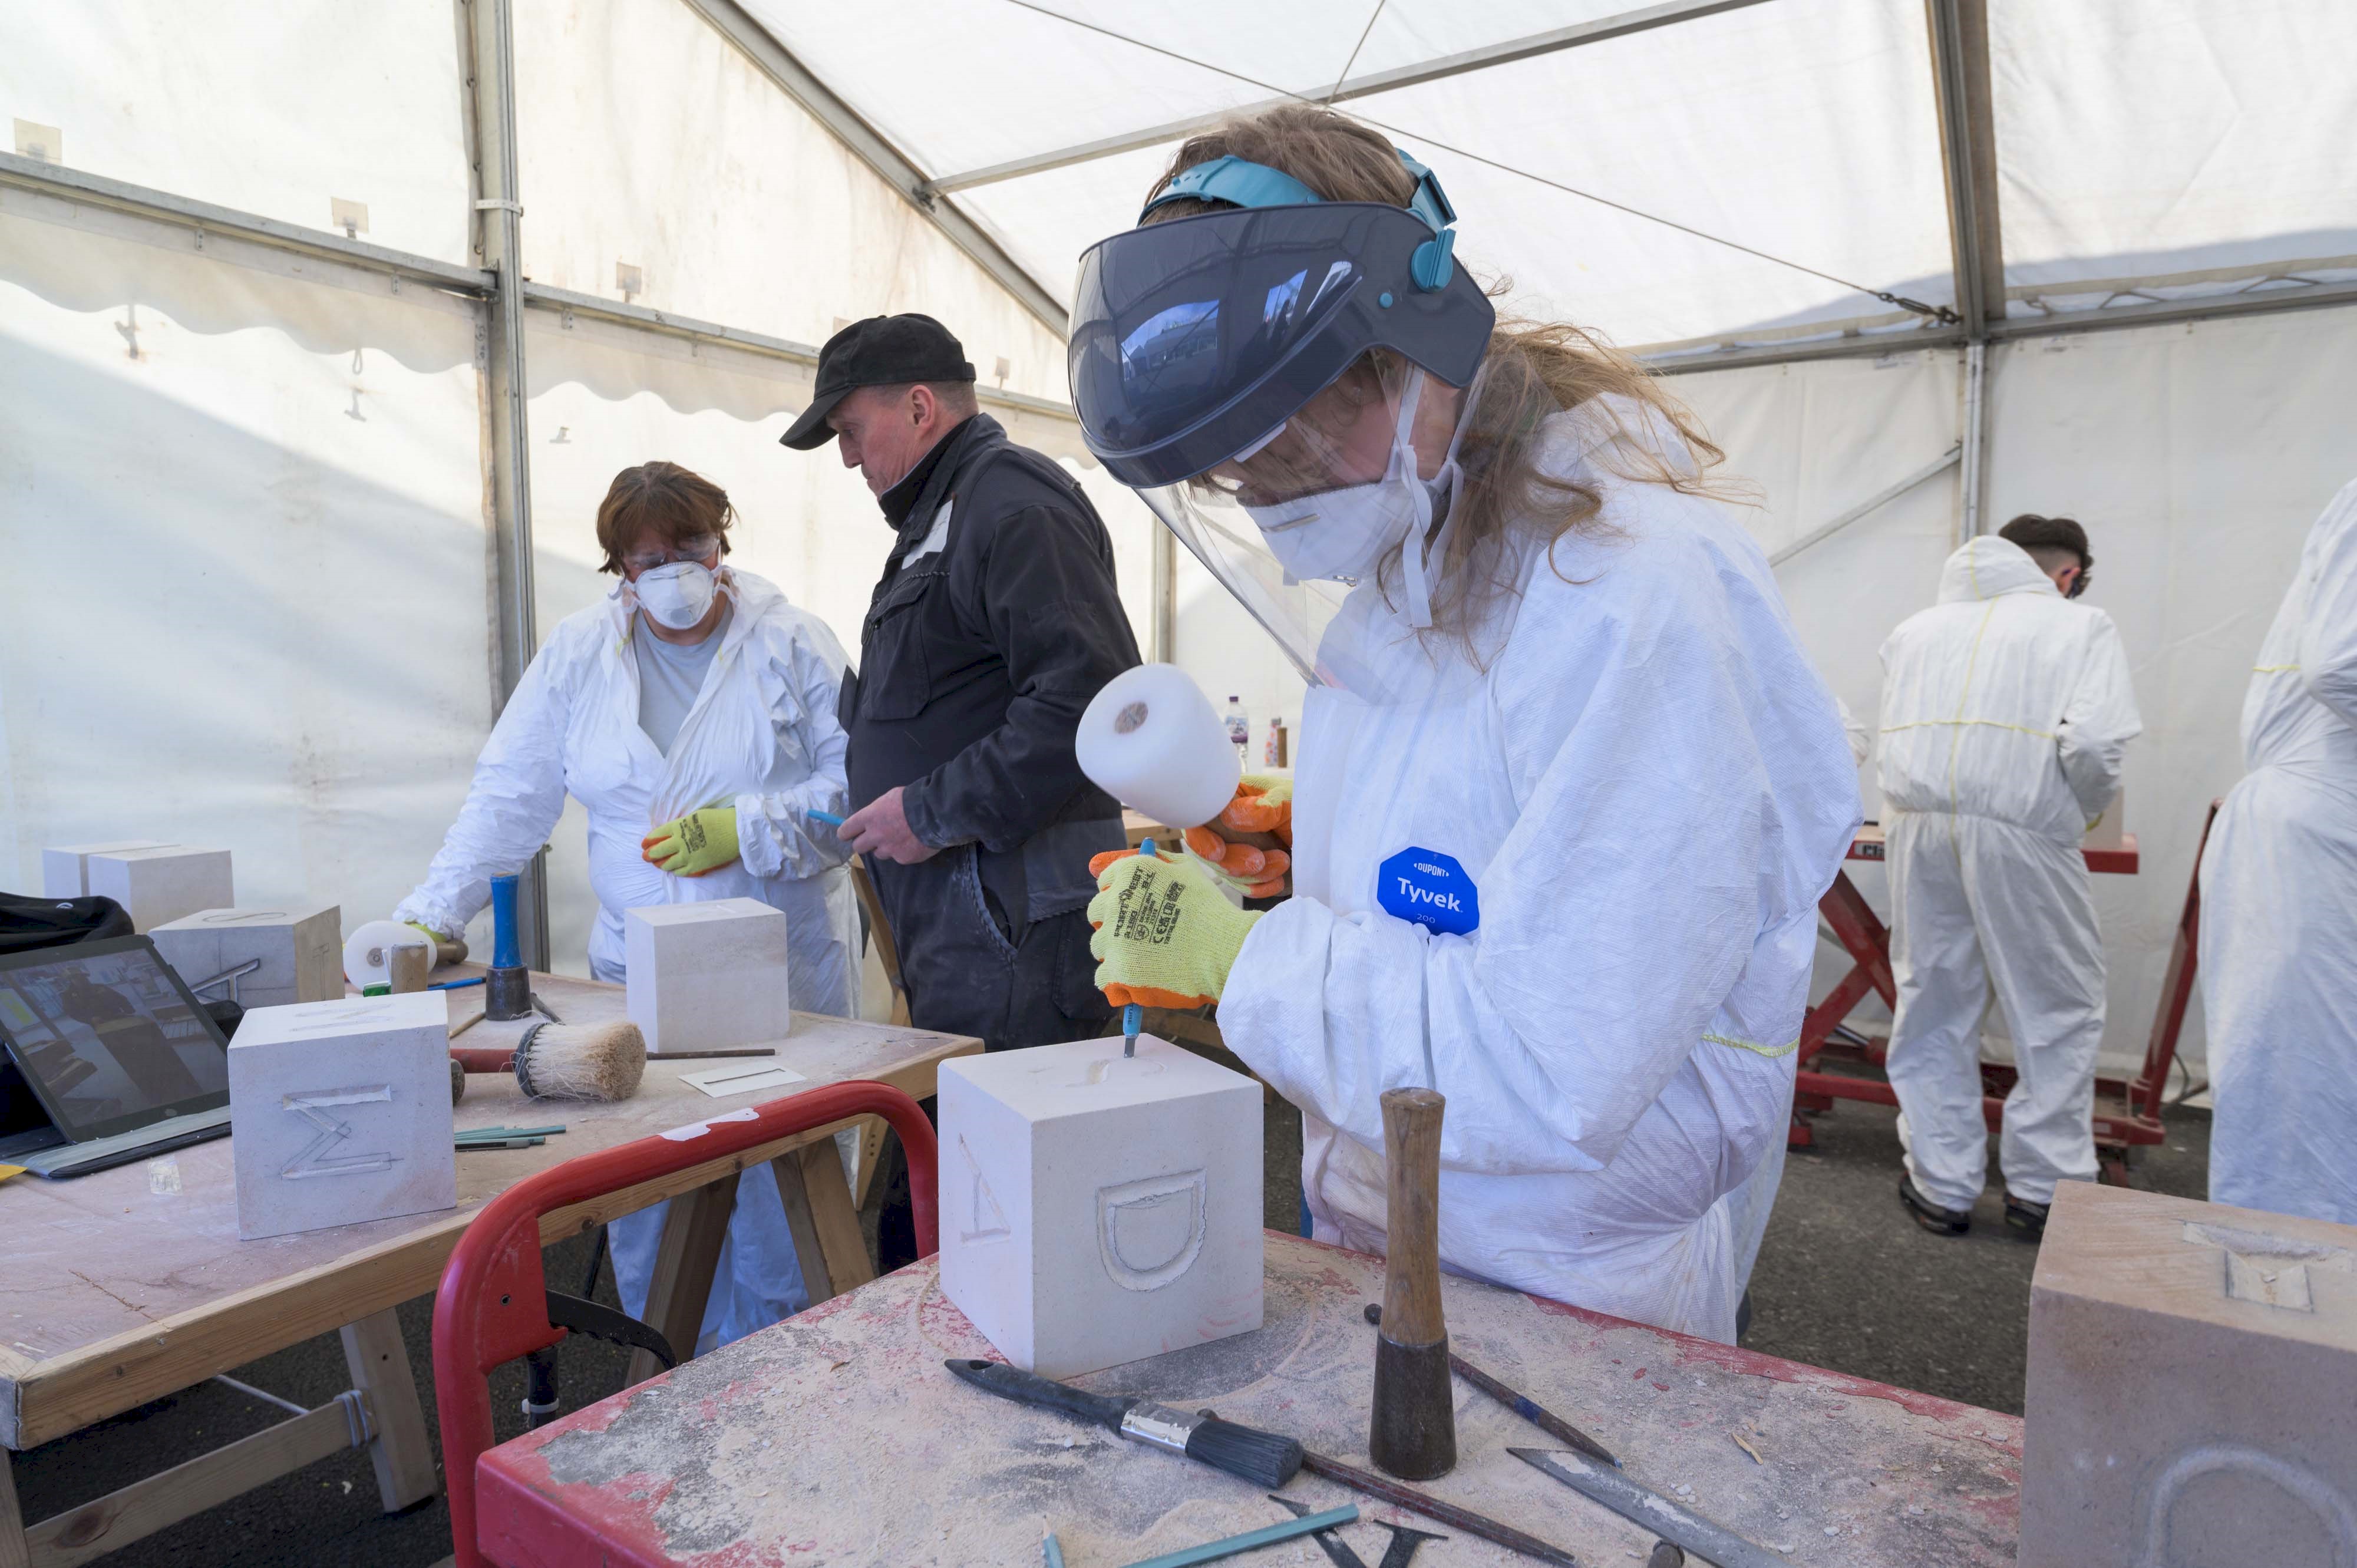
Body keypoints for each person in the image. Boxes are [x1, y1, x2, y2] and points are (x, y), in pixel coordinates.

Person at [1065, 107, 1860, 1343]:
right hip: (1394, 1222)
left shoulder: (1634, 597)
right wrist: (1308, 861)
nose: (1260, 491)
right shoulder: (1418, 562)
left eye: (1284, 437)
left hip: (1562, 1280)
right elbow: (1479, 863)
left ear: (1417, 347)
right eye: (1230, 469)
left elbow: (1553, 1062)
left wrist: (1247, 960)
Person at [397, 461, 855, 1351]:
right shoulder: (580, 654)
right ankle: (668, 1373)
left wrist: (750, 828)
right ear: (620, 569)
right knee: (652, 1181)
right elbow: (512, 794)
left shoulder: (794, 643)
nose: (674, 573)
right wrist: (433, 909)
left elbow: (863, 790)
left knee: (781, 1192)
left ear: (722, 545)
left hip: (778, 977)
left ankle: (795, 1379)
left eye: (690, 548)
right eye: (648, 559)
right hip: (633, 977)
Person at [778, 313, 1140, 1053]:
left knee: (1008, 1141)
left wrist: (926, 811)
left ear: (919, 408)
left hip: (1011, 906)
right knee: (973, 1136)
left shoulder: (1012, 506)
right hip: (969, 905)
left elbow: (1087, 704)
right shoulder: (946, 514)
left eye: (851, 430)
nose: (848, 459)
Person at [1875, 514, 2141, 1240]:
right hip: (2023, 827)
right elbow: (2092, 744)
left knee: (1932, 1003)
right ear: (2066, 575)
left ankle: (1941, 1185)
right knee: (2053, 1006)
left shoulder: (1914, 629)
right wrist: (2072, 814)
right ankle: (2043, 1192)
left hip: (1916, 826)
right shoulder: (2078, 627)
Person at [2200, 478, 2357, 1224]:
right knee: (2304, 1117)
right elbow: (2343, 664)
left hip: (2316, 826)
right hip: (2322, 834)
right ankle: (2288, 1326)